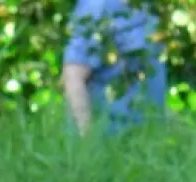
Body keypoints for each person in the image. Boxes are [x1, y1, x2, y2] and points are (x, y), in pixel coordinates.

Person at [61, 0, 168, 135]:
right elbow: (73, 76)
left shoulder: (150, 6)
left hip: (148, 141)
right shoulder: (97, 5)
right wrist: (87, 141)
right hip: (111, 140)